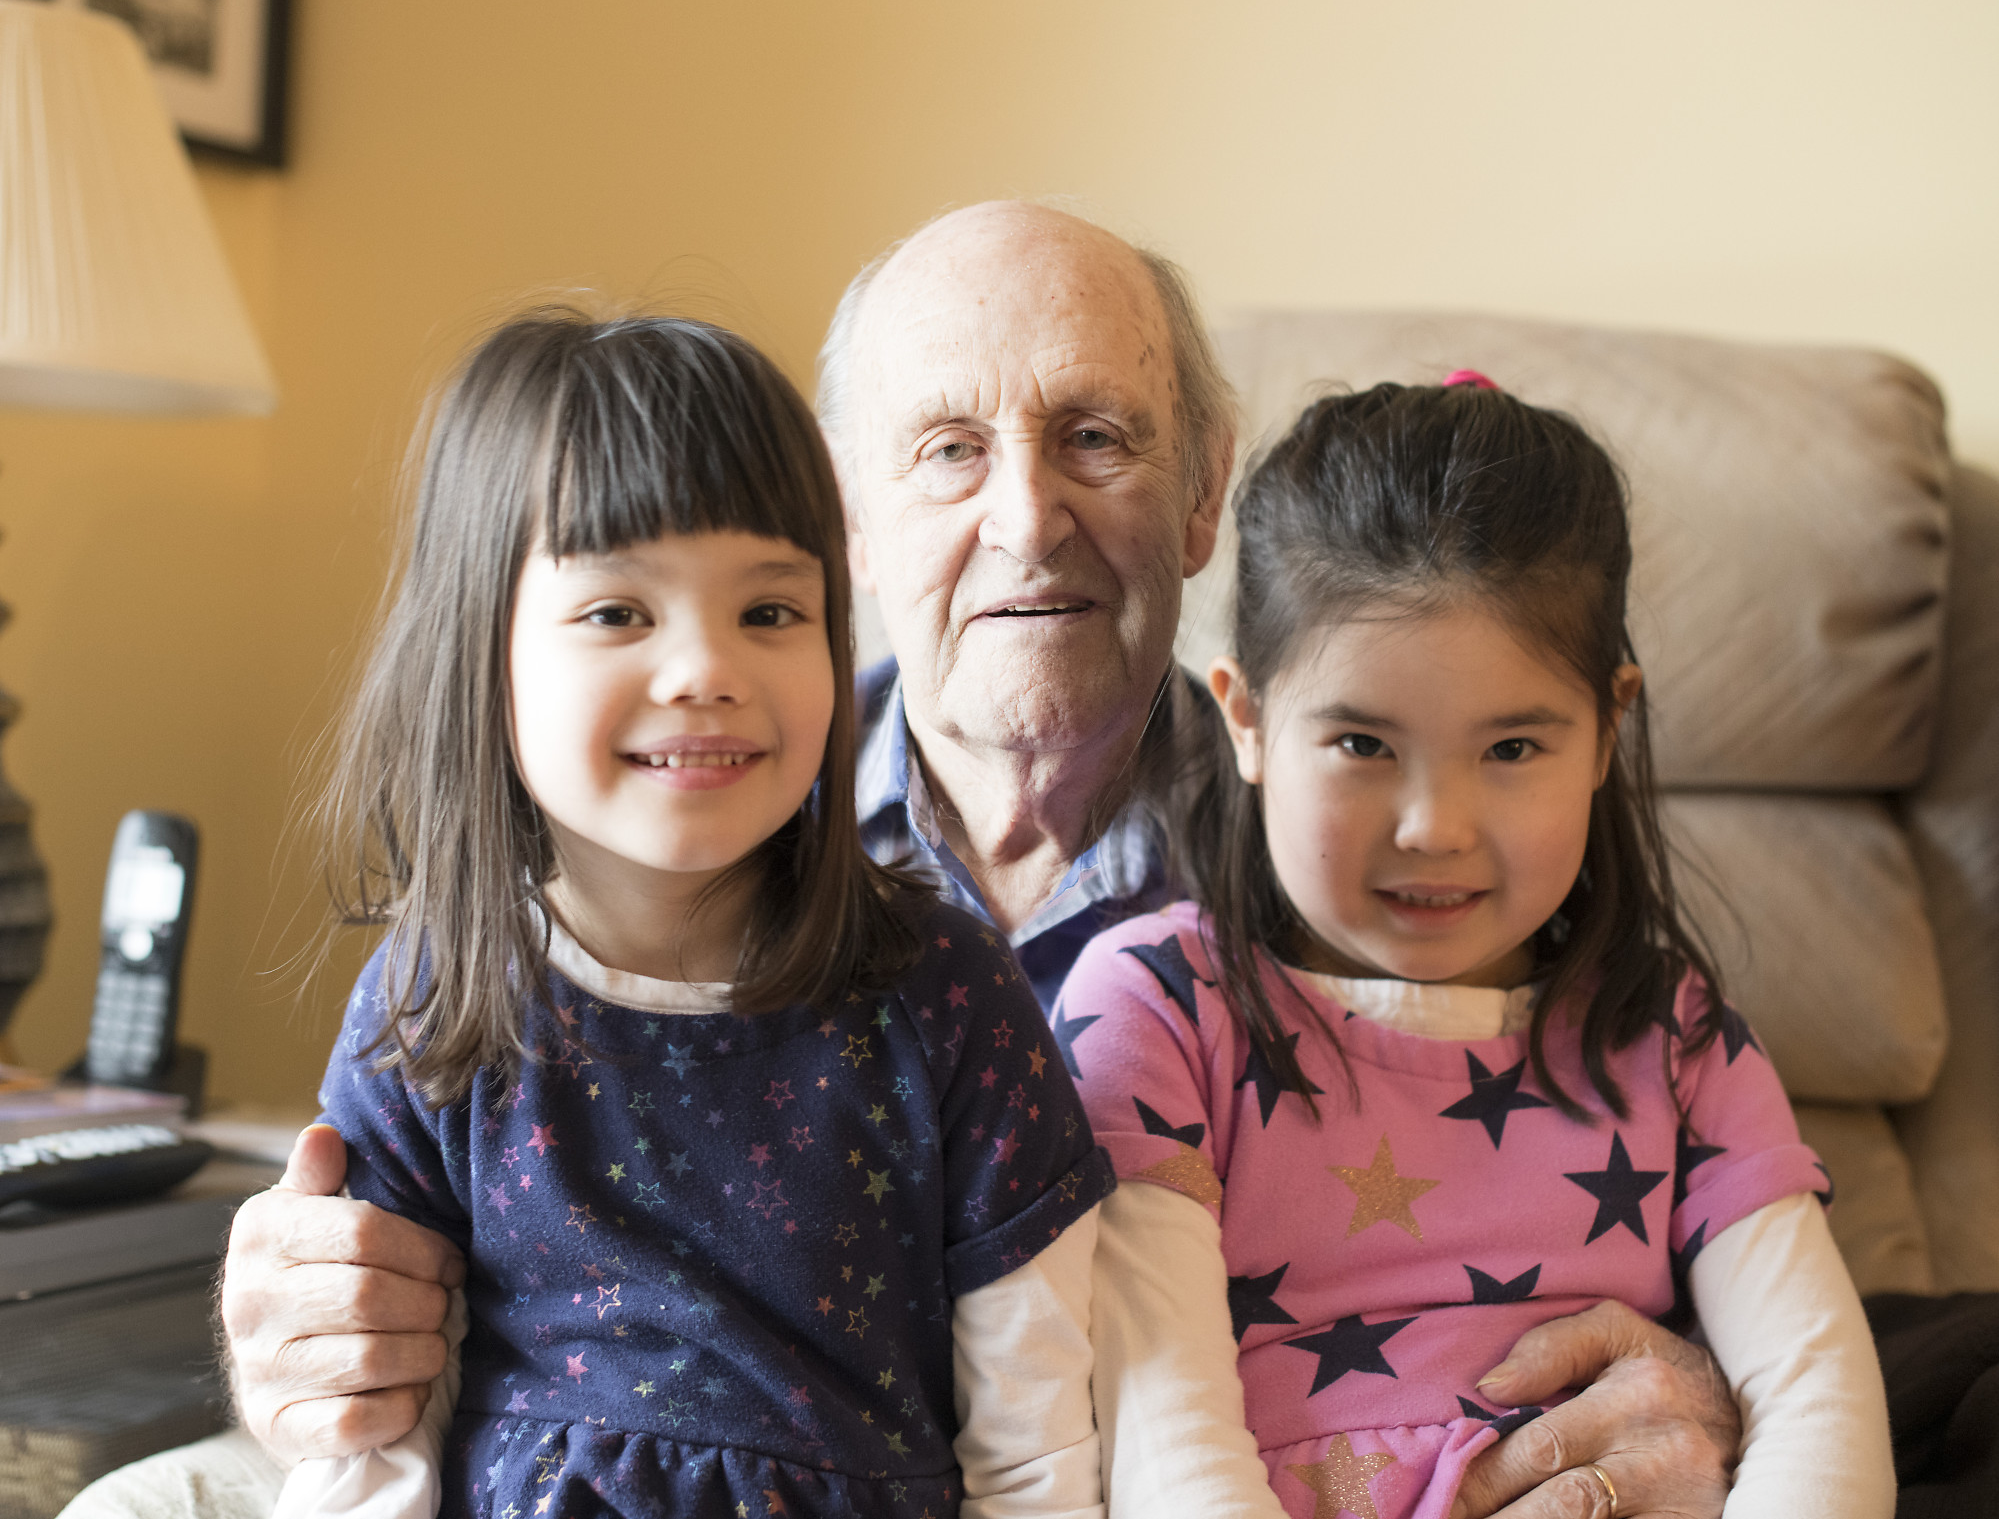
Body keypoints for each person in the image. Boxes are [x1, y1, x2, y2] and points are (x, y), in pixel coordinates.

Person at [223, 204, 1746, 1519]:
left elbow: (1660, 1170)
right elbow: (399, 1306)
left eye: (1095, 437)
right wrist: (296, 1346)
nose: (1026, 517)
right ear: (848, 517)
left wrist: (1716, 1393)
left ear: (1206, 486)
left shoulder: (1386, 854)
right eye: (947, 450)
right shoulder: (662, 847)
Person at [271, 311, 1114, 1518]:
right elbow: (366, 1442)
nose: (707, 668)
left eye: (770, 613)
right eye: (619, 612)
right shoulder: (435, 1000)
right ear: (483, 654)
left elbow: (1035, 1452)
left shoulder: (944, 990)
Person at [1059, 377, 1895, 1517]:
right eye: (1361, 740)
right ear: (1246, 719)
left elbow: (1815, 1395)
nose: (1433, 826)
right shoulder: (1157, 1002)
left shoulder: (1672, 1030)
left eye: (1510, 747)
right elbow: (1167, 1437)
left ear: (1608, 727)